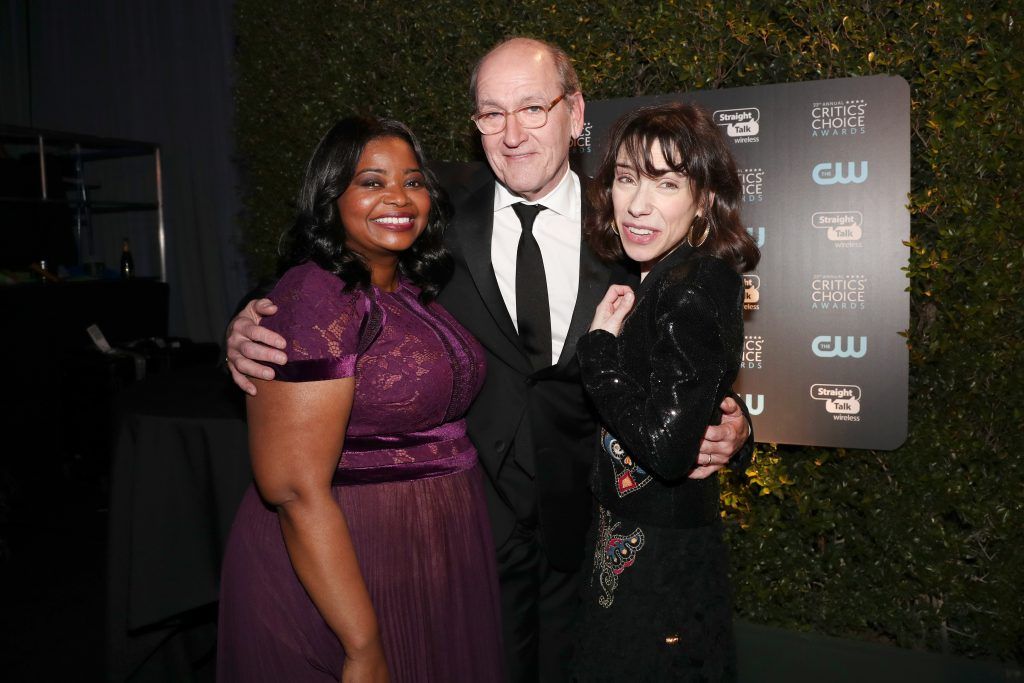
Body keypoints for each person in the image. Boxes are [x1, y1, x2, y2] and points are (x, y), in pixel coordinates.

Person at [226, 38, 752, 682]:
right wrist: (247, 319)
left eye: (533, 107)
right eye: (491, 113)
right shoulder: (430, 212)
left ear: (575, 112)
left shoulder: (630, 219)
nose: (513, 133)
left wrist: (736, 426)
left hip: (588, 527)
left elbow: (687, 350)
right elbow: (332, 264)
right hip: (459, 527)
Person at [216, 116, 503, 682]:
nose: (399, 197)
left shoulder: (409, 289)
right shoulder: (317, 295)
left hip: (425, 554)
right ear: (331, 196)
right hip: (347, 565)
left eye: (414, 181)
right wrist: (362, 644)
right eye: (371, 182)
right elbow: (293, 487)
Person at [572, 102, 760, 681]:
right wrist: (736, 429)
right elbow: (692, 391)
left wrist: (598, 350)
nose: (638, 204)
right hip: (630, 539)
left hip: (659, 557)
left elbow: (665, 448)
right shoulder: (661, 275)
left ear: (703, 198)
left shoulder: (692, 285)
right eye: (627, 178)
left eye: (666, 183)